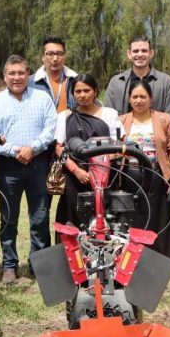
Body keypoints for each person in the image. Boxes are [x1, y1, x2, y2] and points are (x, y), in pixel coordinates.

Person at [0, 55, 57, 284]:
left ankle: (39, 264)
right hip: (8, 166)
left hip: (38, 164)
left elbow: (50, 129)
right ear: (5, 76)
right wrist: (17, 150)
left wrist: (32, 149)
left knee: (40, 216)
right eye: (12, 73)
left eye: (21, 73)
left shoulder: (42, 98)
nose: (17, 77)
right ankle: (9, 265)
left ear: (28, 75)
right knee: (9, 217)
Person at [119, 79, 170, 266]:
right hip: (129, 177)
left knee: (158, 216)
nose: (139, 100)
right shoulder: (121, 120)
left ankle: (159, 261)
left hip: (157, 176)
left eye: (143, 96)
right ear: (129, 99)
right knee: (134, 218)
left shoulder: (164, 119)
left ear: (151, 98)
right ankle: (133, 260)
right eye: (135, 97)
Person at [53, 73, 122, 228]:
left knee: (106, 220)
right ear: (72, 94)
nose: (82, 95)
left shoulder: (109, 114)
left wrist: (99, 169)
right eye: (78, 92)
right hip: (75, 177)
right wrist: (76, 170)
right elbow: (59, 148)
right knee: (75, 219)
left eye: (87, 90)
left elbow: (118, 146)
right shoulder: (64, 117)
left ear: (95, 91)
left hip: (106, 176)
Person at [105, 35, 170, 122]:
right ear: (129, 54)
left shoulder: (166, 83)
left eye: (144, 51)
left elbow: (169, 120)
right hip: (123, 134)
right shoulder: (115, 83)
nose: (140, 54)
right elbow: (109, 118)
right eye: (135, 51)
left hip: (156, 135)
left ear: (151, 53)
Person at [32, 36, 78, 113]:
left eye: (60, 54)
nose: (55, 59)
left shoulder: (75, 80)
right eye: (50, 54)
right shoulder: (31, 83)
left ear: (65, 56)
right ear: (43, 57)